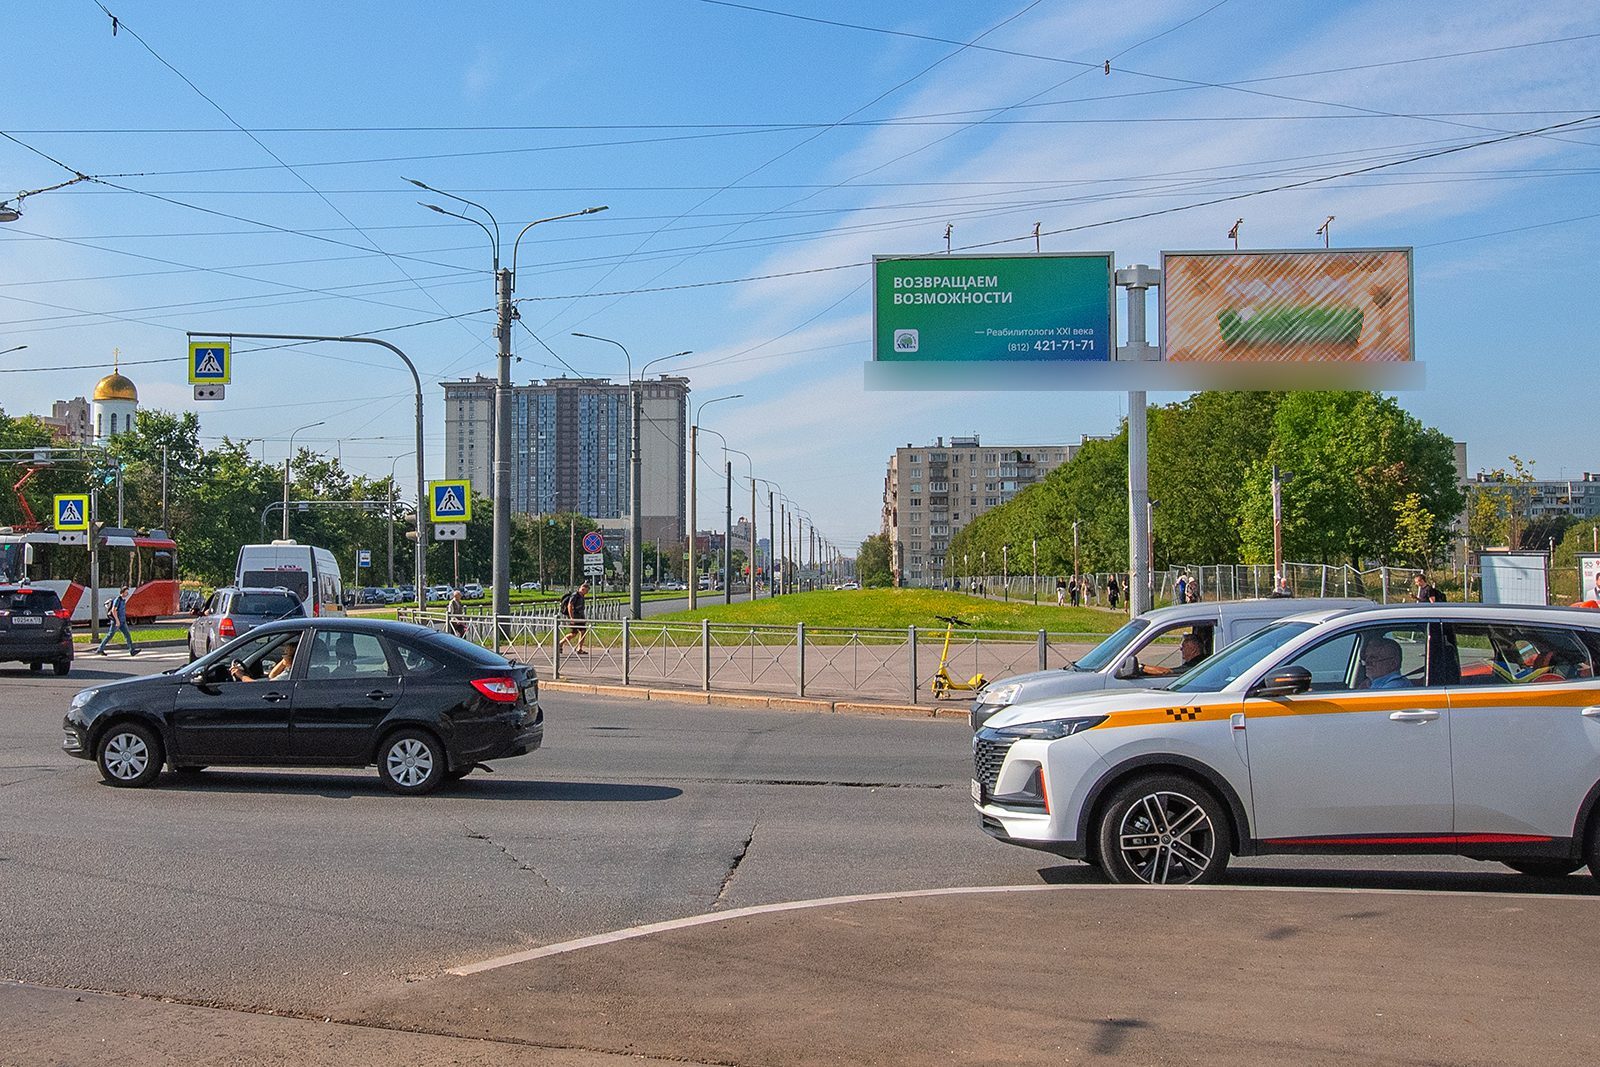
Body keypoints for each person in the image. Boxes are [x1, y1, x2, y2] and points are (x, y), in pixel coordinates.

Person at [94, 585, 139, 657]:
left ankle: (132, 650)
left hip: (122, 622)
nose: (127, 594)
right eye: (126, 592)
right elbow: (113, 610)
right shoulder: (118, 599)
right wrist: (117, 621)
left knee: (127, 635)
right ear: (122, 592)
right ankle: (100, 649)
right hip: (116, 622)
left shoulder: (123, 600)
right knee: (110, 635)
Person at [230, 637, 297, 682]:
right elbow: (272, 676)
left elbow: (257, 685)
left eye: (285, 653)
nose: (283, 656)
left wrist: (241, 676)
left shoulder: (290, 674)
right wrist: (285, 661)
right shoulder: (294, 669)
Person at [559, 581, 590, 654]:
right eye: (586, 591)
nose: (587, 593)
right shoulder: (575, 595)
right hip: (574, 617)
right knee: (574, 633)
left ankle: (579, 649)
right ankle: (560, 643)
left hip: (579, 617)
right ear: (583, 589)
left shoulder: (581, 596)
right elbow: (569, 605)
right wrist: (571, 617)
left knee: (583, 632)